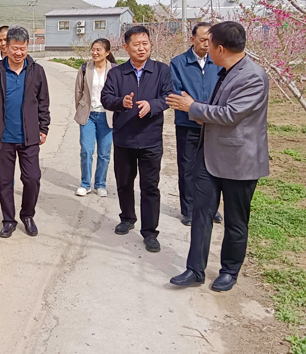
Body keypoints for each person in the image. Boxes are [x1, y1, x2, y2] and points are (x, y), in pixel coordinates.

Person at [168, 21, 269, 292]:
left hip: (240, 161)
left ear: (220, 49)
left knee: (235, 221)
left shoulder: (252, 76)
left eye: (209, 43)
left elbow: (230, 114)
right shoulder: (226, 71)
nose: (205, 48)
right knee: (201, 214)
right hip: (210, 156)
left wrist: (192, 107)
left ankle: (229, 271)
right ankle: (195, 269)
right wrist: (196, 110)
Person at [0, 26, 50, 238]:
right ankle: (8, 220)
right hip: (3, 136)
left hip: (29, 136)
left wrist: (44, 127)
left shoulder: (36, 71)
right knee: (5, 182)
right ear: (6, 47)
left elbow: (43, 102)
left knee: (32, 178)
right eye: (15, 48)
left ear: (27, 47)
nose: (19, 53)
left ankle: (28, 215)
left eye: (22, 48)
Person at [101, 25, 173, 253]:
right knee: (124, 183)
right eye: (137, 44)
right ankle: (127, 218)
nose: (142, 48)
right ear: (126, 47)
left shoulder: (161, 70)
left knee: (150, 186)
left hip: (151, 139)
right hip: (124, 138)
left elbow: (168, 97)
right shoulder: (117, 73)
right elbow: (105, 98)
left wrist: (152, 105)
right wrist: (121, 102)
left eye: (145, 44)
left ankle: (150, 232)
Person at [169, 22, 223, 226]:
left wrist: (203, 110)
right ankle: (189, 210)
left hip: (213, 123)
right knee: (188, 168)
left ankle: (211, 208)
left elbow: (223, 91)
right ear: (192, 40)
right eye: (202, 40)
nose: (207, 44)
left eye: (210, 40)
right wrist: (194, 111)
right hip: (187, 124)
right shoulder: (178, 63)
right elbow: (175, 93)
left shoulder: (218, 62)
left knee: (213, 168)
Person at [74, 38, 116, 198]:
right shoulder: (85, 68)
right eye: (93, 49)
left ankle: (100, 184)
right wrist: (81, 109)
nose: (95, 52)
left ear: (107, 52)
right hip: (89, 115)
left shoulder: (114, 70)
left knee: (104, 153)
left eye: (99, 50)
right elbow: (78, 91)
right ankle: (85, 184)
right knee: (86, 150)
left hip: (107, 116)